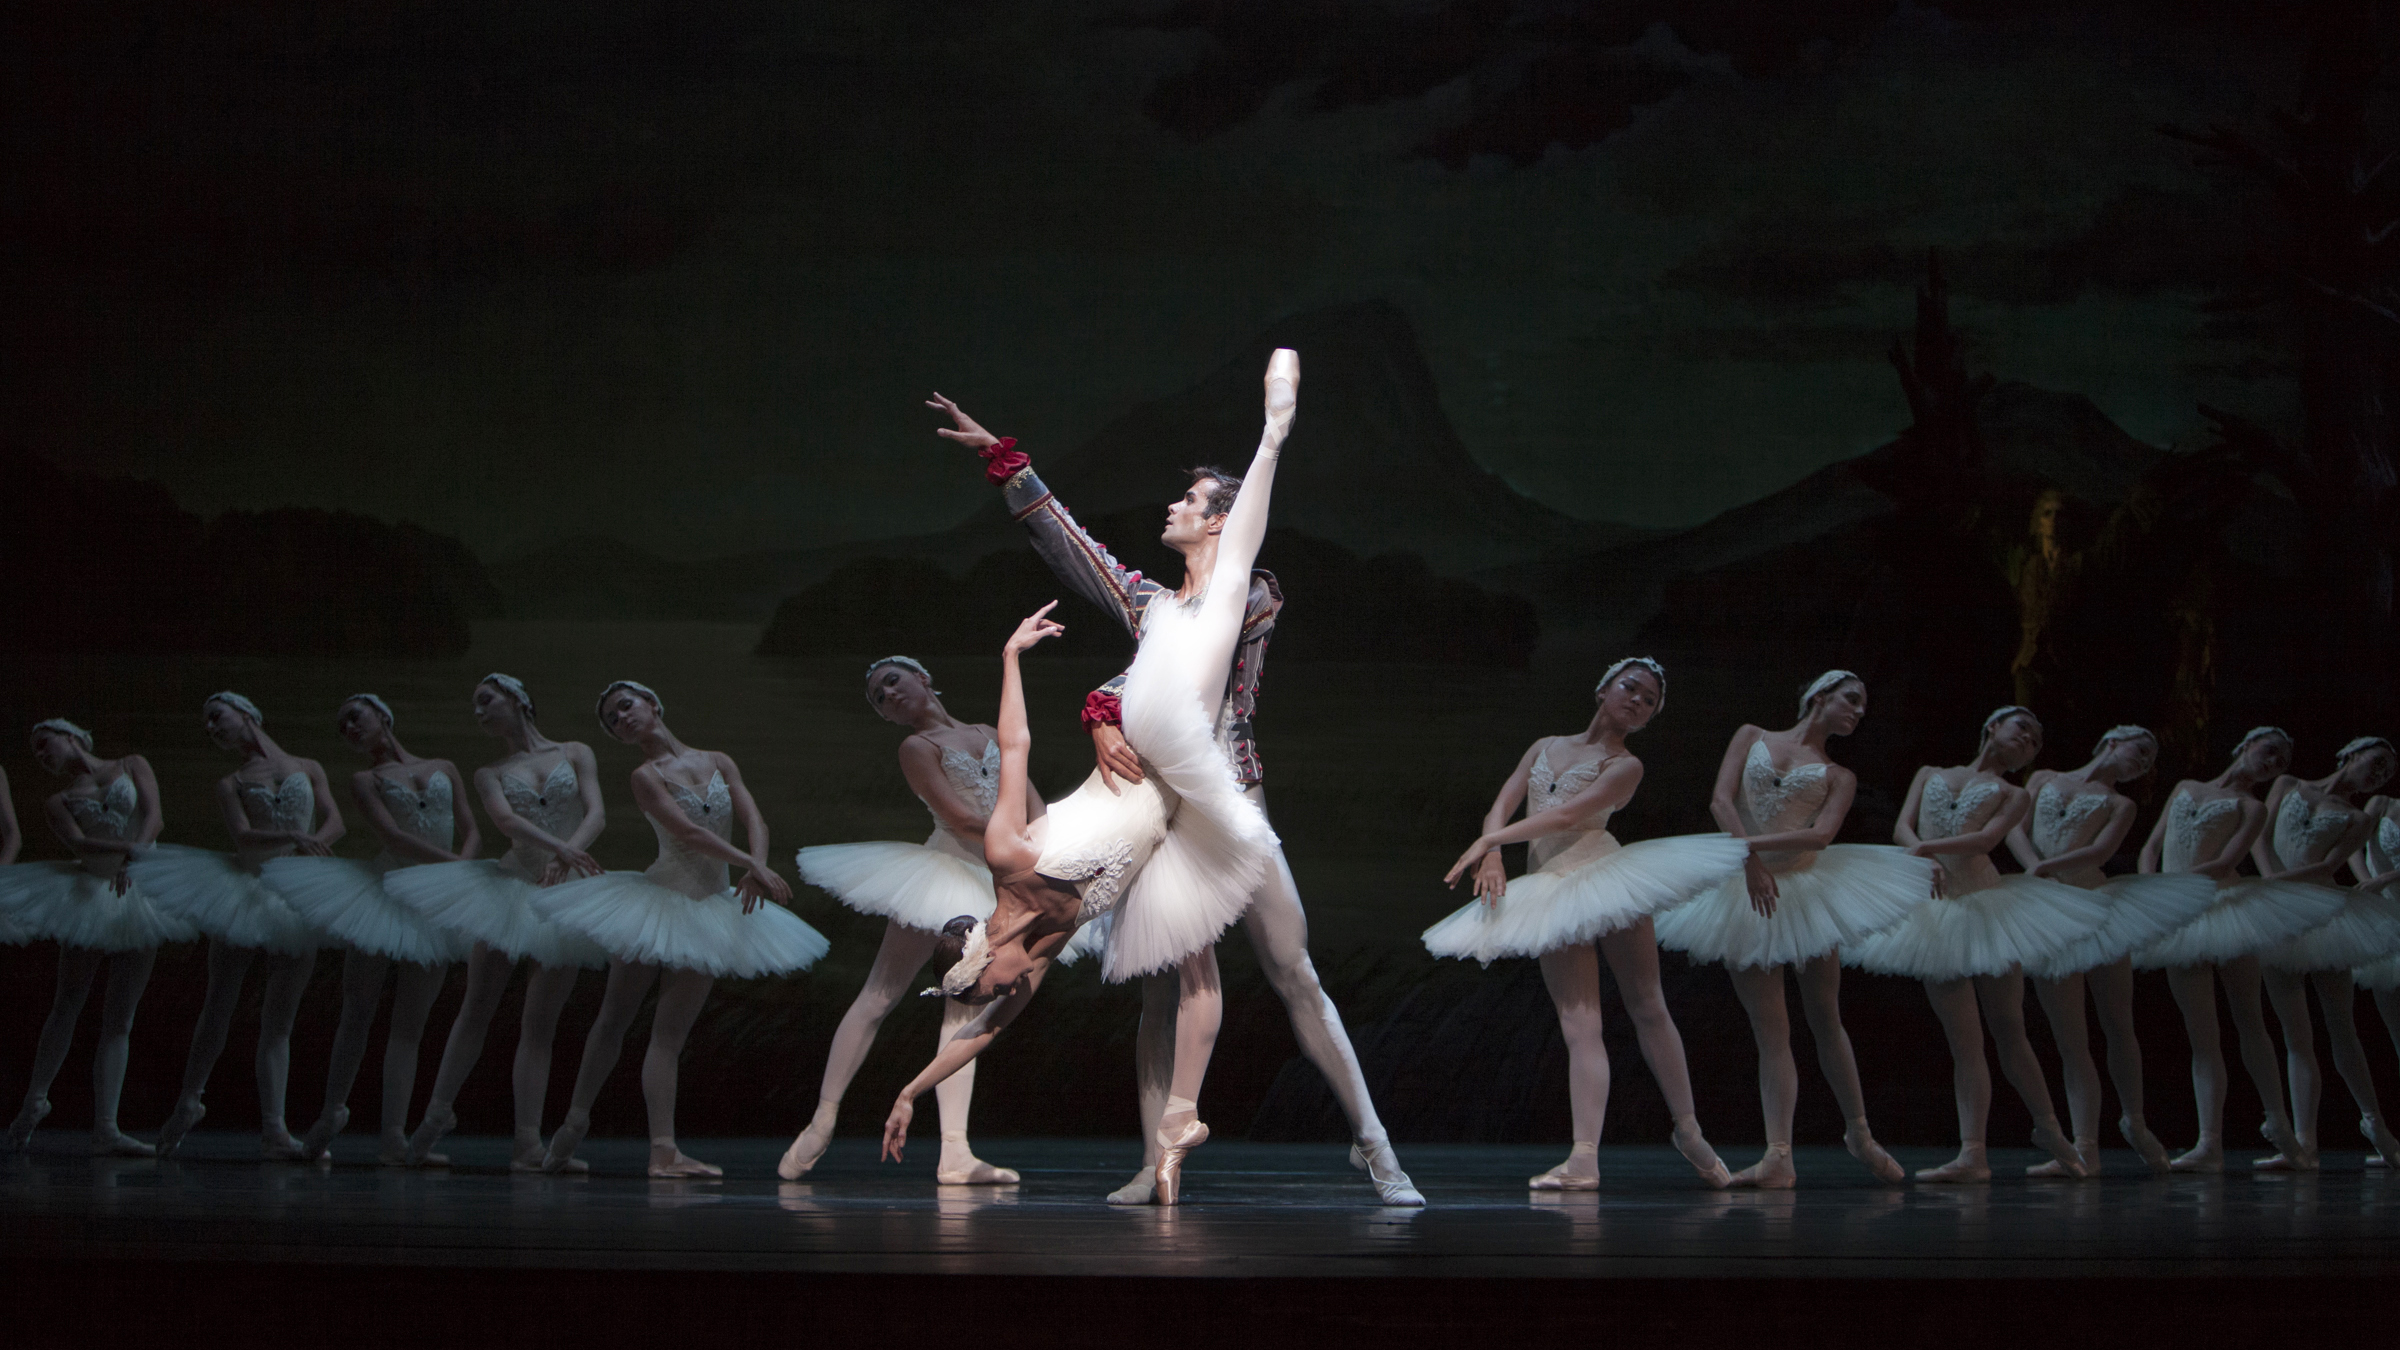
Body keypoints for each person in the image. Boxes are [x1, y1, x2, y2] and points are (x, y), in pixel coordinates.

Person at [928, 355, 1418, 1207]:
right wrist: (1006, 463)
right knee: (1165, 989)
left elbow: (1191, 684)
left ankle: (1377, 1148)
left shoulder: (1250, 596)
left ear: (1221, 524)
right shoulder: (1151, 606)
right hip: (1156, 809)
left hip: (1226, 799)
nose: (1173, 507)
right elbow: (1074, 550)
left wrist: (1104, 704)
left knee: (1292, 967)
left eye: (1190, 501)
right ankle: (1158, 1165)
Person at [882, 352, 1300, 1206]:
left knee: (1205, 620)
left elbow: (1015, 744)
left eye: (1190, 502)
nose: (988, 996)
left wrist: (1044, 676)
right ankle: (1178, 1122)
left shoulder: (1006, 855)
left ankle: (1275, 429)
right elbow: (979, 1035)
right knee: (1196, 974)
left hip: (1181, 747)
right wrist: (908, 1093)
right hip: (1170, 799)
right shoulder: (1034, 956)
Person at [1423, 657, 1745, 1190]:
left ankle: (1688, 1130)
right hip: (1552, 888)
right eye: (1630, 688)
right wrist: (1495, 852)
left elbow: (1569, 816)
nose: (1636, 701)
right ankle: (1584, 1158)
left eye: (1648, 701)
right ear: (1603, 689)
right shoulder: (1545, 745)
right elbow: (1501, 805)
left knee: (1647, 1005)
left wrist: (1493, 842)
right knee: (1580, 1026)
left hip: (1605, 876)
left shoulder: (1626, 766)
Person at [537, 680, 827, 1177]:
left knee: (669, 1035)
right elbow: (688, 832)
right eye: (611, 720)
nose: (621, 719)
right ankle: (572, 1126)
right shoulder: (644, 776)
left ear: (652, 703)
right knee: (614, 1017)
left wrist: (754, 864)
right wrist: (748, 865)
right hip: (657, 903)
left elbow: (754, 816)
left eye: (625, 706)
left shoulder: (719, 759)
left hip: (709, 908)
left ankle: (663, 1153)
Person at [1654, 671, 1932, 1187]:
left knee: (1826, 1016)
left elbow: (1821, 834)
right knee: (1771, 1029)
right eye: (1851, 700)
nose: (1857, 712)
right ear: (1819, 696)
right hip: (1744, 893)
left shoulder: (1838, 775)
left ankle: (1859, 1133)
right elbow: (1720, 800)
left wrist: (1747, 854)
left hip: (1806, 890)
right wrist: (1748, 864)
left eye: (1863, 708)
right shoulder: (1751, 735)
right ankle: (1778, 1154)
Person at [781, 656, 1028, 1185]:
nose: (887, 694)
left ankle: (956, 1153)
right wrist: (1018, 850)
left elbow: (1028, 799)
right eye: (877, 697)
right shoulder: (916, 748)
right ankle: (823, 1118)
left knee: (967, 1006)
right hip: (943, 872)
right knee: (880, 994)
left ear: (924, 678)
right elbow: (960, 817)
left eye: (892, 681)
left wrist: (1039, 854)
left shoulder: (988, 731)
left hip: (992, 879)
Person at [1846, 707, 2108, 1180]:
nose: (2029, 740)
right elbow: (1903, 825)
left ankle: (2049, 1128)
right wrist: (1919, 854)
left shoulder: (2016, 793)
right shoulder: (1931, 774)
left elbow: (1986, 839)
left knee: (2009, 1026)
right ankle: (1973, 1153)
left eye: (2035, 741)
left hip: (1986, 906)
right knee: (1964, 1041)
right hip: (1937, 911)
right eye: (2023, 728)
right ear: (1992, 726)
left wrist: (1928, 851)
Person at [387, 675, 611, 1170]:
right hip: (511, 887)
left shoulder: (575, 751)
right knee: (477, 1007)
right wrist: (559, 849)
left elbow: (596, 811)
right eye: (474, 706)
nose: (479, 711)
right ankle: (434, 1117)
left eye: (485, 700)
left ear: (517, 699)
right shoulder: (489, 772)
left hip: (566, 890)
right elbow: (507, 823)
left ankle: (527, 1143)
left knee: (540, 1023)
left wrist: (569, 854)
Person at [268, 694, 478, 1164]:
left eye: (354, 718)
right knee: (358, 1010)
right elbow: (394, 836)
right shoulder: (365, 779)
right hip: (385, 893)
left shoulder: (443, 764)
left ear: (383, 715)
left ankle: (394, 1138)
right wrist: (454, 868)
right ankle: (330, 1114)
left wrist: (459, 870)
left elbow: (471, 826)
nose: (349, 729)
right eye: (342, 727)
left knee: (410, 1024)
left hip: (434, 900)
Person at [132, 692, 339, 1159]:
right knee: (218, 1004)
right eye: (207, 724)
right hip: (244, 889)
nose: (211, 728)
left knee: (279, 1018)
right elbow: (244, 838)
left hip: (296, 893)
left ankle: (274, 1129)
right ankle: (188, 1100)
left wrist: (311, 847)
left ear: (246, 713)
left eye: (215, 717)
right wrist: (291, 836)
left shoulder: (308, 765)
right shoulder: (231, 782)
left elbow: (335, 821)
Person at [2007, 726, 2216, 1174]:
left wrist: (2047, 866)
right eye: (2141, 752)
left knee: (2118, 1023)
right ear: (2112, 742)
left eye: (2150, 761)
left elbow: (2101, 850)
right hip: (2049, 909)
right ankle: (2085, 1148)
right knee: (2070, 1039)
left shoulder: (2123, 803)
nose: (2144, 763)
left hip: (2097, 907)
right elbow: (2015, 828)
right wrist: (2033, 868)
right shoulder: (2043, 777)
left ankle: (2134, 1121)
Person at [2132, 727, 2343, 1171]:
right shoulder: (2186, 788)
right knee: (2201, 1034)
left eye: (2280, 763)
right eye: (2269, 753)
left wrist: (2174, 885)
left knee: (2250, 1020)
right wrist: (2154, 891)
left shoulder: (2253, 808)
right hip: (2179, 914)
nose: (2271, 765)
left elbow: (2226, 862)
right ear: (2246, 745)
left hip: (2226, 908)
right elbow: (2152, 845)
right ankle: (2209, 1142)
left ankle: (2279, 1124)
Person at [0, 719, 192, 1154]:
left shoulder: (131, 764)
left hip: (138, 894)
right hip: (89, 894)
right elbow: (83, 845)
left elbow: (155, 816)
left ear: (72, 736)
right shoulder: (58, 800)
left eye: (44, 744)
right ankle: (34, 1102)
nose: (41, 755)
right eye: (35, 753)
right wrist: (125, 855)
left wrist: (136, 859)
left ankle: (107, 1125)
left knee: (120, 1015)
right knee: (67, 1001)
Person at [2251, 736, 2400, 1168]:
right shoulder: (2286, 784)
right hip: (2278, 912)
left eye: (2387, 772)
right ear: (2350, 754)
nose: (2380, 774)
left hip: (2325, 914)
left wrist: (2284, 887)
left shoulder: (2358, 817)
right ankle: (2304, 1142)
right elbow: (2261, 837)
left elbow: (2327, 866)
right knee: (2295, 1034)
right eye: (2377, 762)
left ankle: (2375, 1122)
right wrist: (2272, 884)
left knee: (2341, 1024)